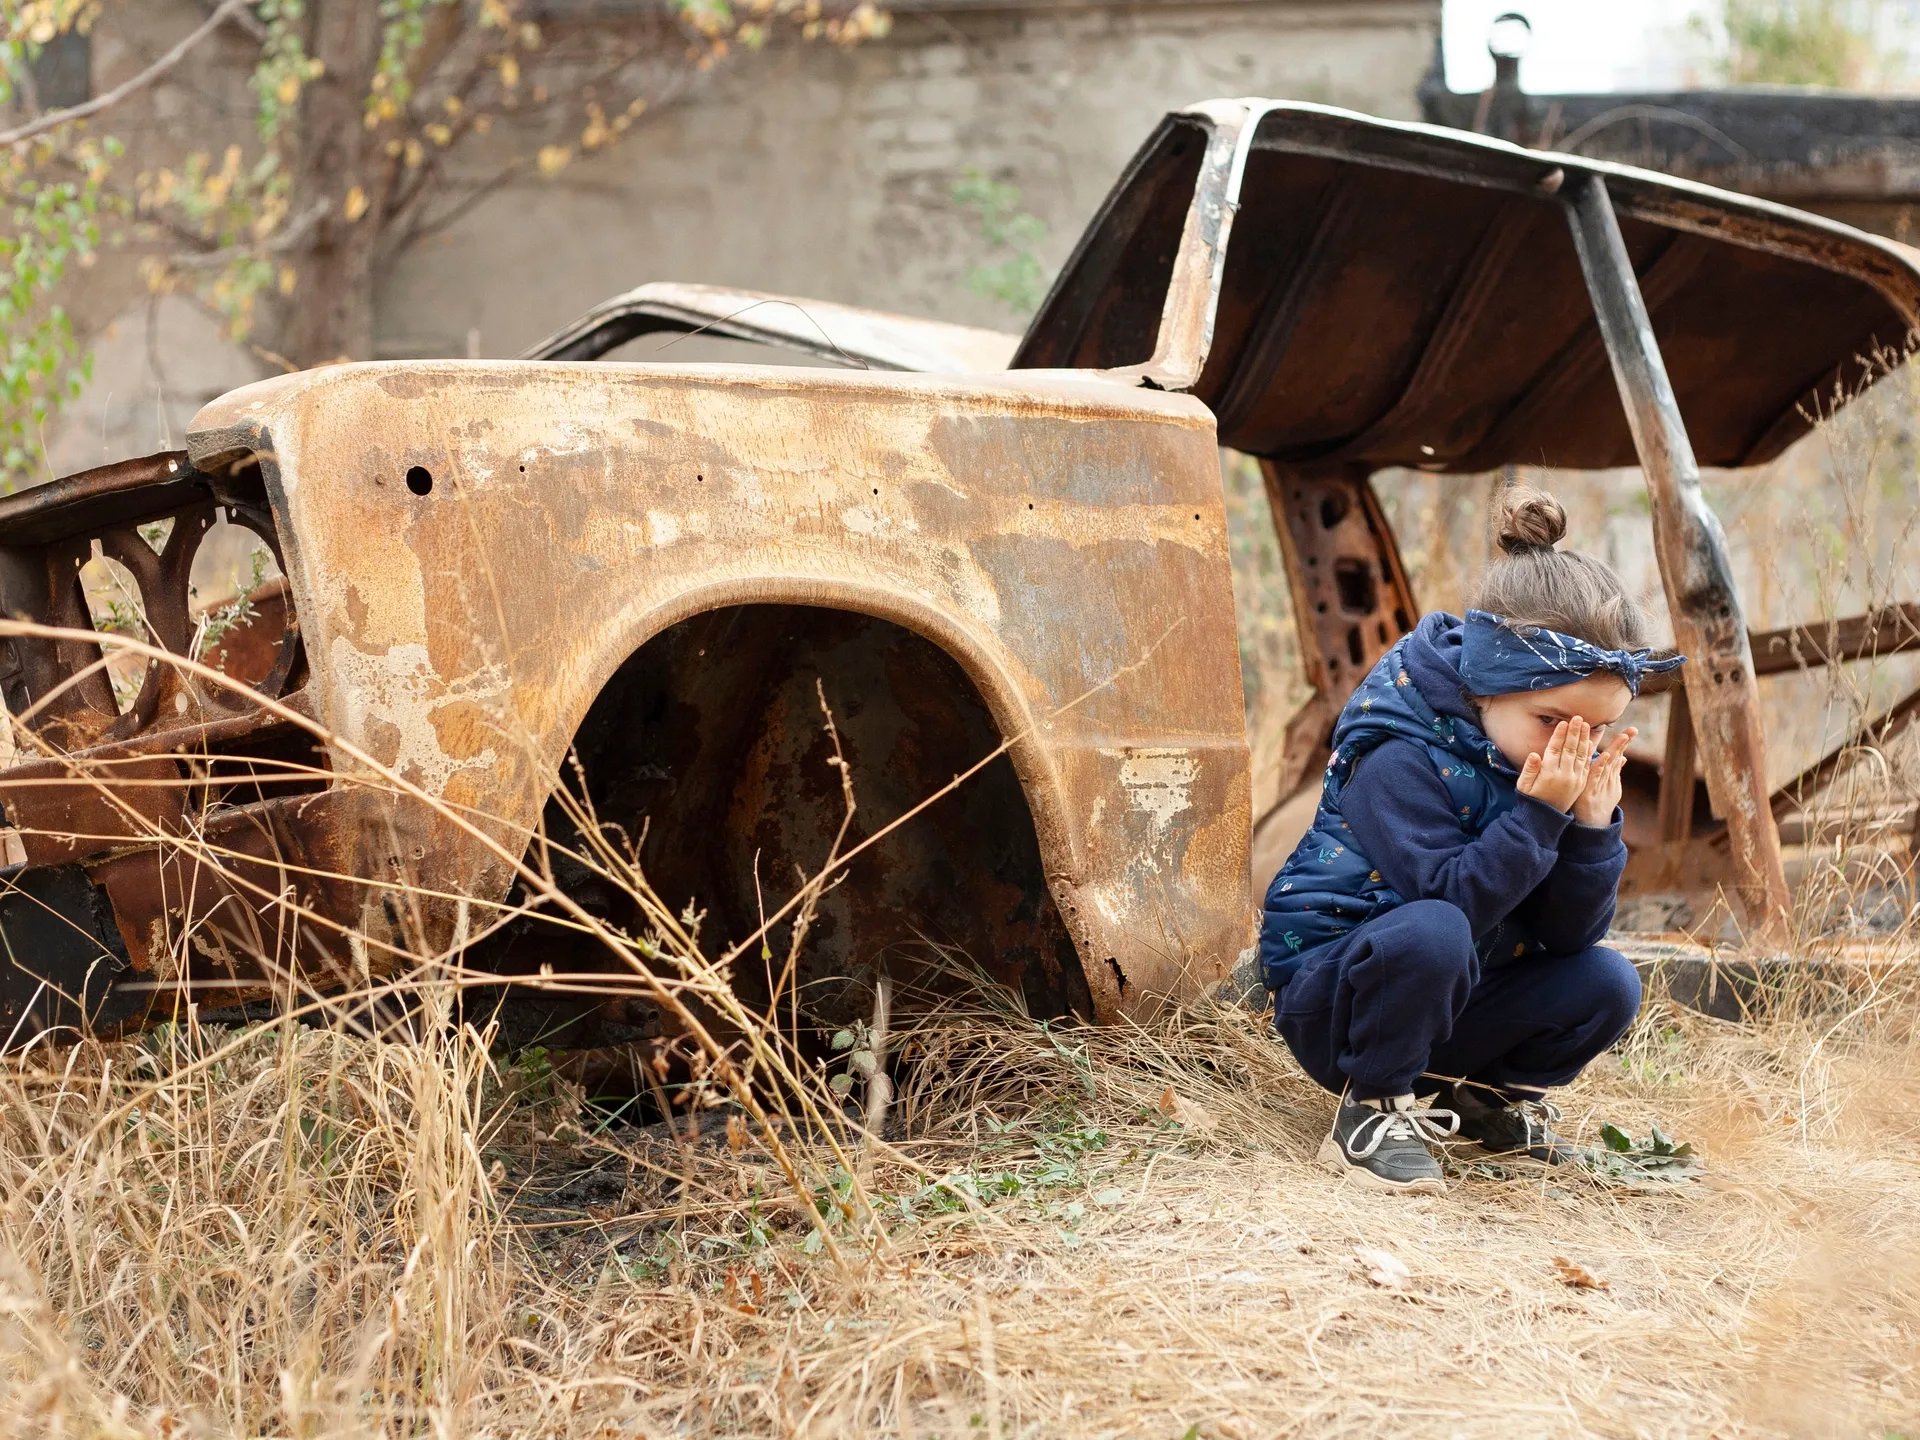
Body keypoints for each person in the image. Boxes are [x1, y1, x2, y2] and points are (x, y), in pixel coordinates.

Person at [1259, 487, 1680, 1193]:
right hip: (1344, 1002)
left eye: (1597, 731)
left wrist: (1589, 832)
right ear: (1486, 687)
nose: (1575, 746)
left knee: (1607, 980)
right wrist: (1541, 817)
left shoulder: (1533, 764)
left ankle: (1482, 1098)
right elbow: (1451, 899)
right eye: (1554, 720)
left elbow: (1568, 936)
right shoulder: (1397, 755)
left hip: (1455, 1000)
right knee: (1436, 929)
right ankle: (1370, 1110)